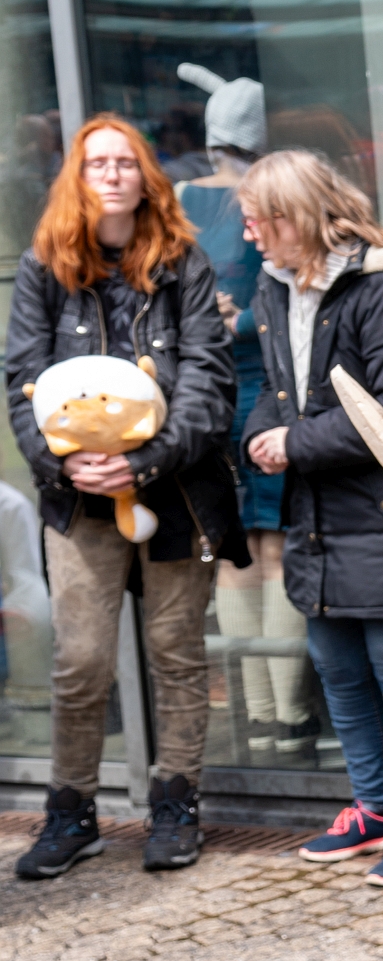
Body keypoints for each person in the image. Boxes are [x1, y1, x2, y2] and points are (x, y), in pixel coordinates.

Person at [5, 114, 244, 877]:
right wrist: (64, 465)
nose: (111, 173)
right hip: (76, 498)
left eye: (124, 161)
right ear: (76, 178)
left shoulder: (184, 264)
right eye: (96, 162)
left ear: (146, 176)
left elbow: (210, 382)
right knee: (79, 662)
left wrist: (139, 464)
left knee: (176, 654)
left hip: (174, 489)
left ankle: (175, 807)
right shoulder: (45, 266)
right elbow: (22, 381)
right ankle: (70, 813)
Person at [236, 150, 383, 885]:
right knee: (337, 667)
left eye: (257, 221)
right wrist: (258, 430)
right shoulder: (276, 287)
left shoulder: (382, 291)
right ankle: (374, 810)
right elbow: (285, 393)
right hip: (320, 515)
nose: (248, 237)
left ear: (294, 219)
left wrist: (295, 442)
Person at [175, 64, 319, 767]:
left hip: (202, 400)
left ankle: (261, 721)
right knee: (273, 546)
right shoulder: (267, 201)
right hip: (269, 391)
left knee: (233, 552)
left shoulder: (175, 202)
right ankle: (287, 719)